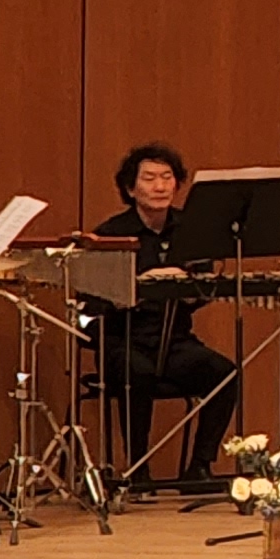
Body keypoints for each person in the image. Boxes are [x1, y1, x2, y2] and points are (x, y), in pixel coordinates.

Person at [92, 143, 241, 488]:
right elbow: (92, 301)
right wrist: (139, 287)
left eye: (167, 177)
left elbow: (202, 287)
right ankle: (137, 469)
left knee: (224, 373)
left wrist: (188, 287)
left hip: (175, 341)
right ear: (131, 188)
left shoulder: (191, 227)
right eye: (149, 178)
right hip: (124, 341)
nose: (160, 186)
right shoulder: (110, 234)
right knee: (137, 372)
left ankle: (200, 465)